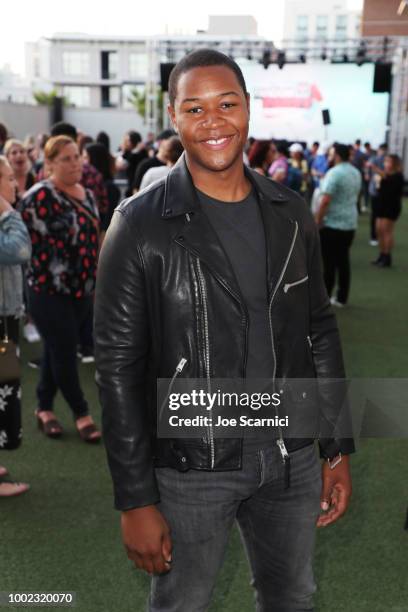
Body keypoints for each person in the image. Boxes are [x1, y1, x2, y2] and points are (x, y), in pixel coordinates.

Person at [95, 49, 354, 612]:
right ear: (174, 116)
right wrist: (135, 497)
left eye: (227, 103)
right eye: (195, 107)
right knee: (181, 603)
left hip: (291, 451)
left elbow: (319, 330)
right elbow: (117, 368)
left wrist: (335, 449)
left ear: (249, 110)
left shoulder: (290, 210)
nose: (213, 121)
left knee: (292, 597)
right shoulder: (138, 225)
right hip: (190, 463)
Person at [20, 136, 101, 442]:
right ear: (49, 163)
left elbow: (94, 238)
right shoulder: (38, 197)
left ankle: (44, 408)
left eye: (76, 156)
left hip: (82, 290)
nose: (74, 163)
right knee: (65, 351)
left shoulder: (88, 194)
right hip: (47, 291)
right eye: (65, 158)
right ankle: (82, 413)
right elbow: (25, 246)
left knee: (57, 350)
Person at [0, 156, 31, 497]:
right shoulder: (6, 215)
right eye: (8, 179)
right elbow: (20, 249)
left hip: (5, 318)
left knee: (4, 389)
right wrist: (8, 212)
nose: (14, 184)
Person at [316, 143, 362, 307]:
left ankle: (325, 298)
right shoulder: (356, 172)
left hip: (333, 223)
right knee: (343, 260)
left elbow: (325, 200)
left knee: (329, 263)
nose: (329, 156)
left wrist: (317, 220)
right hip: (350, 222)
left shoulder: (334, 173)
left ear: (336, 155)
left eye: (331, 153)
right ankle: (342, 297)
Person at [370, 154, 404, 267]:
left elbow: (391, 184)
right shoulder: (384, 175)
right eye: (385, 161)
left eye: (388, 162)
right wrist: (379, 180)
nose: (386, 164)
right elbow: (380, 188)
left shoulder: (398, 176)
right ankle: (381, 254)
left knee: (386, 231)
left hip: (391, 207)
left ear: (394, 163)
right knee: (378, 230)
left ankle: (387, 256)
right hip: (381, 205)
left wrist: (376, 171)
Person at [84, 142, 120, 229]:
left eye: (85, 157)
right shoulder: (85, 183)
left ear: (95, 159)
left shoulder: (109, 187)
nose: (82, 161)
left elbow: (108, 221)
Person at [116, 131, 148, 197]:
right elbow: (121, 164)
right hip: (128, 184)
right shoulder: (126, 152)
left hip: (139, 184)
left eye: (128, 141)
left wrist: (136, 151)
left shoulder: (142, 152)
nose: (126, 143)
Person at [367, 143, 388, 246]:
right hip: (376, 190)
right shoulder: (375, 158)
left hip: (383, 191)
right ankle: (374, 236)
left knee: (380, 216)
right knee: (376, 215)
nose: (382, 153)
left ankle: (377, 236)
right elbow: (368, 166)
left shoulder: (386, 160)